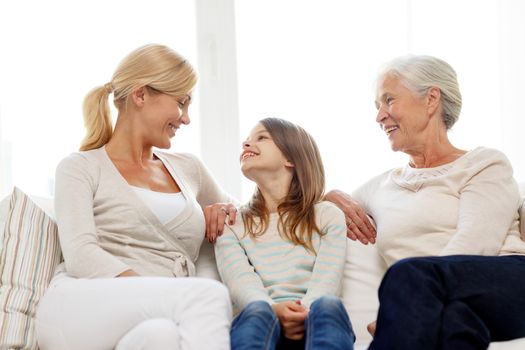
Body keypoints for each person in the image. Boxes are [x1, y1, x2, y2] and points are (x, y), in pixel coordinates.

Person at [35, 44, 235, 350]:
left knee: (162, 336)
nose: (186, 119)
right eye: (181, 103)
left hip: (154, 314)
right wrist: (158, 292)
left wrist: (228, 208)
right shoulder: (80, 168)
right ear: (140, 96)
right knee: (209, 295)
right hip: (78, 306)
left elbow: (248, 213)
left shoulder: (189, 168)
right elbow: (81, 255)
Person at [324, 55, 525, 349]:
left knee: (410, 273)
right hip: (448, 304)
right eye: (377, 106)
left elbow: (476, 240)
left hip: (508, 282)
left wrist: (404, 306)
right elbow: (317, 208)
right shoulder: (380, 186)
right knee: (455, 325)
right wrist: (332, 195)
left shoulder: (484, 164)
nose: (379, 115)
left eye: (388, 100)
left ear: (431, 99)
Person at [214, 118, 355, 350]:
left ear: (291, 158)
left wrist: (302, 312)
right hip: (263, 324)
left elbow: (327, 281)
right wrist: (274, 310)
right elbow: (242, 285)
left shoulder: (327, 215)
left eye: (261, 137)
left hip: (313, 321)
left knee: (328, 304)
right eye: (247, 140)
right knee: (257, 310)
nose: (246, 144)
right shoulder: (230, 223)